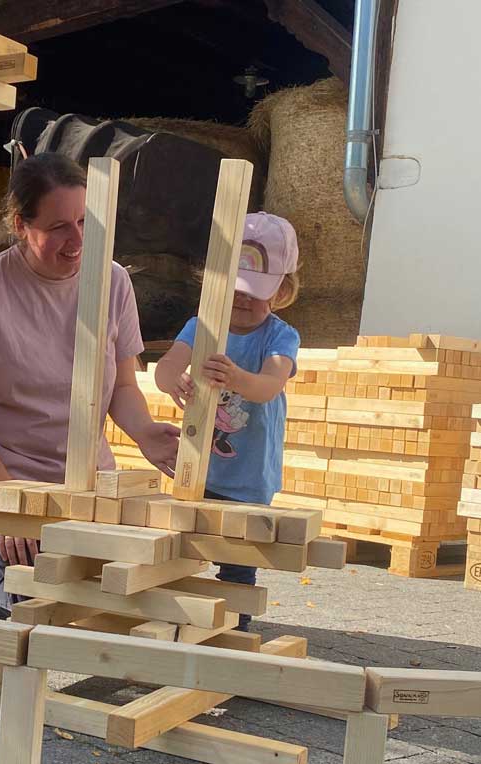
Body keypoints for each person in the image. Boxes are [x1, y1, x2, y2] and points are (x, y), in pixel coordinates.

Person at [0, 153, 179, 617]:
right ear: (20, 225)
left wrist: (148, 434)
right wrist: (11, 503)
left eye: (83, 221)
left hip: (82, 479)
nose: (77, 239)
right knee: (29, 601)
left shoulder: (113, 281)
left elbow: (122, 387)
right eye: (58, 226)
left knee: (101, 591)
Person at [153, 212, 301, 630]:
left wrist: (237, 378)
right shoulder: (201, 326)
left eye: (255, 292)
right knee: (184, 544)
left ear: (283, 288)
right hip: (199, 468)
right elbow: (165, 367)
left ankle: (236, 627)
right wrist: (173, 382)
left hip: (248, 476)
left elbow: (270, 385)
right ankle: (182, 616)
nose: (241, 299)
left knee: (237, 558)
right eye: (235, 288)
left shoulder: (279, 336)